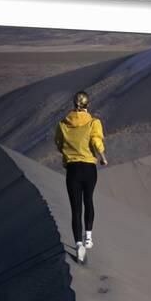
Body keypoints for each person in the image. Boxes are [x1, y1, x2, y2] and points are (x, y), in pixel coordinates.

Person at [54, 91, 108, 262]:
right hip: (89, 168)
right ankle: (88, 237)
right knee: (88, 200)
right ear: (87, 105)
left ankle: (78, 245)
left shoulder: (63, 124)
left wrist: (68, 152)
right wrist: (103, 157)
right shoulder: (94, 123)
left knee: (75, 208)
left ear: (73, 104)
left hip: (72, 169)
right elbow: (95, 141)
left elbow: (59, 143)